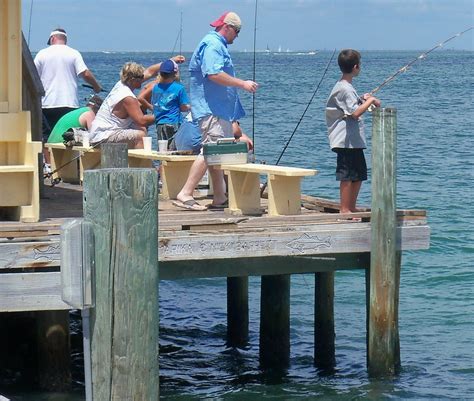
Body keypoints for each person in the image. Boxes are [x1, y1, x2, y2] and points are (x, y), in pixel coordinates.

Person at [173, 11, 258, 211]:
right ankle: (186, 192)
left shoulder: (216, 44)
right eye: (236, 32)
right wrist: (242, 84)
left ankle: (220, 195)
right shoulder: (213, 45)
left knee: (216, 152)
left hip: (218, 109)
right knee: (210, 150)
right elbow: (213, 74)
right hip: (211, 109)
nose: (236, 37)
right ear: (227, 27)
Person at [34, 28, 102, 167]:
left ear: (52, 39)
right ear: (65, 39)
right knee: (70, 136)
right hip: (69, 103)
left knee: (48, 137)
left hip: (47, 103)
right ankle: (70, 167)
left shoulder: (42, 54)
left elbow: (33, 76)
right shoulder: (73, 53)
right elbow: (85, 74)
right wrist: (96, 86)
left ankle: (49, 166)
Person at [325, 49, 381, 214]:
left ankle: (351, 206)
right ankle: (344, 209)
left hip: (354, 140)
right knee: (347, 175)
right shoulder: (344, 88)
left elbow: (353, 107)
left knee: (358, 174)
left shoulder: (347, 88)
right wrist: (370, 100)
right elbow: (355, 113)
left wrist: (363, 100)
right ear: (356, 67)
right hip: (344, 140)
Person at [88, 62, 156, 148]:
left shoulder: (120, 84)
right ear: (132, 79)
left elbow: (150, 71)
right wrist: (163, 113)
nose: (143, 79)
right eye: (141, 77)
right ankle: (141, 161)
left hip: (96, 134)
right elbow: (142, 121)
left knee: (141, 129)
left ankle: (132, 160)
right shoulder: (128, 97)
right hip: (102, 137)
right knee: (140, 136)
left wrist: (172, 61)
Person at [137, 59, 190, 147]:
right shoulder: (179, 88)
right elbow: (183, 107)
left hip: (160, 123)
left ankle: (162, 161)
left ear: (160, 73)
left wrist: (152, 107)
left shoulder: (155, 88)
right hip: (174, 122)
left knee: (163, 149)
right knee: (174, 149)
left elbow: (155, 103)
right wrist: (191, 107)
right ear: (175, 74)